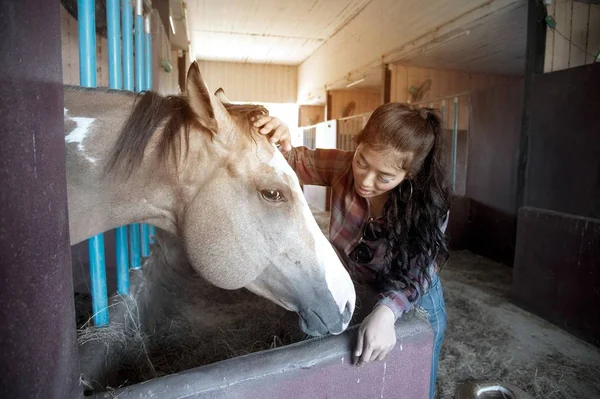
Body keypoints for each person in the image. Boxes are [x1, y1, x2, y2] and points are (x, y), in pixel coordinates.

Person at [255, 102, 450, 399]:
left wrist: (387, 312)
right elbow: (290, 161)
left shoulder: (428, 206)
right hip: (355, 287)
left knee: (413, 382)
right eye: (362, 162)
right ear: (356, 146)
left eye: (384, 177)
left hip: (413, 298)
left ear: (409, 174)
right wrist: (278, 139)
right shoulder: (342, 166)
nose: (365, 180)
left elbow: (418, 273)